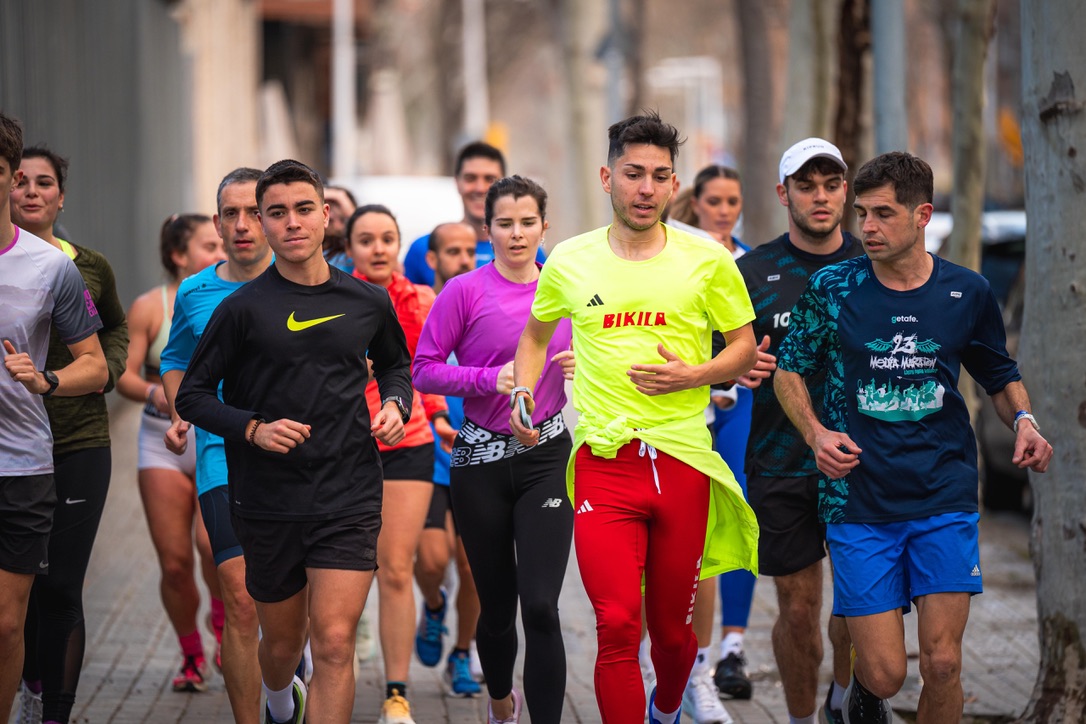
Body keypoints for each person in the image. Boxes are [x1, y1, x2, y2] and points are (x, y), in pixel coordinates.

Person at [773, 151, 1052, 723]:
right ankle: (859, 697)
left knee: (943, 663)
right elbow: (789, 370)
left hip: (943, 493)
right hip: (858, 499)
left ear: (922, 215)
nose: (867, 227)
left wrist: (1025, 421)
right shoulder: (833, 288)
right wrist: (816, 433)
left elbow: (999, 375)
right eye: (862, 213)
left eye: (883, 214)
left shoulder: (967, 291)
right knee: (884, 673)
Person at [509, 112, 759, 724]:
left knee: (672, 636)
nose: (646, 188)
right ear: (607, 178)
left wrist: (695, 375)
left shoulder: (708, 260)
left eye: (659, 176)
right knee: (617, 624)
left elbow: (744, 348)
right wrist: (523, 393)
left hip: (682, 461)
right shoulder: (570, 259)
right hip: (604, 461)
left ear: (674, 184)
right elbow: (536, 337)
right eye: (633, 173)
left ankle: (668, 707)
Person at [175, 159, 413, 724]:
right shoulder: (240, 310)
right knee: (282, 646)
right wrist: (253, 428)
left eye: (304, 209)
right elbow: (193, 396)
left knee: (333, 642)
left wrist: (395, 405)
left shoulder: (367, 300)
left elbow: (395, 365)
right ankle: (281, 701)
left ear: (326, 215)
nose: (292, 222)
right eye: (277, 212)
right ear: (262, 223)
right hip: (268, 499)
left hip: (348, 492)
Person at [415, 176, 576, 724]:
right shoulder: (464, 291)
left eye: (527, 222)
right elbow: (424, 369)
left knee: (542, 607)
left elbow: (609, 351)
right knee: (498, 609)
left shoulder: (567, 288)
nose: (517, 234)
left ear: (544, 227)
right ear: (488, 229)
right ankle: (502, 703)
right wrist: (490, 379)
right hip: (478, 463)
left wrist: (584, 362)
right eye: (505, 223)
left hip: (546, 458)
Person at [732, 137, 861, 724]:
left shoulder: (872, 265)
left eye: (831, 185)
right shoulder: (750, 272)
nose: (820, 197)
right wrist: (735, 368)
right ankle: (802, 718)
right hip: (780, 460)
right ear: (784, 194)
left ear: (846, 191)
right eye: (806, 186)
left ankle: (845, 697)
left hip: (862, 461)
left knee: (859, 607)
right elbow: (716, 356)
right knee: (799, 608)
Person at [9, 145, 129, 724]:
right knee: (21, 590)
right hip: (15, 449)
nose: (32, 192)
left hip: (78, 441)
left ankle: (53, 711)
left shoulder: (86, 266)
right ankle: (30, 686)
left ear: (62, 197)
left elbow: (115, 329)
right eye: (22, 181)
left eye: (45, 182)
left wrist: (106, 372)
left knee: (59, 585)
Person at [159, 167, 273, 724]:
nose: (243, 224)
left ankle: (286, 697)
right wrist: (181, 411)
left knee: (292, 607)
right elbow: (176, 359)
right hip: (220, 456)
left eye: (255, 212)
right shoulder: (195, 291)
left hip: (299, 461)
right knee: (241, 599)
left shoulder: (313, 283)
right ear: (218, 222)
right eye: (232, 214)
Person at [344, 204, 453, 722]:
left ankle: (396, 695)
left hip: (409, 441)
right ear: (349, 248)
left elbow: (424, 370)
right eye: (366, 239)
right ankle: (326, 676)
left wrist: (440, 415)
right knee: (346, 573)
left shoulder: (422, 300)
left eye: (387, 238)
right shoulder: (333, 299)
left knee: (396, 570)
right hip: (345, 446)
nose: (378, 248)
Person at [116, 212, 226, 692]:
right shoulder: (149, 307)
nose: (220, 252)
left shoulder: (233, 296)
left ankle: (224, 629)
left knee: (213, 547)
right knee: (175, 562)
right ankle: (191, 656)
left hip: (216, 436)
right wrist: (154, 393)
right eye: (208, 246)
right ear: (179, 255)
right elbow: (122, 375)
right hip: (161, 440)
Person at [668, 164, 758, 720]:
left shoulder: (751, 261)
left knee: (739, 507)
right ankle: (677, 659)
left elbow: (756, 337)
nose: (725, 210)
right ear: (696, 202)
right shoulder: (677, 254)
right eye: (715, 200)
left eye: (733, 201)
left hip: (741, 404)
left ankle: (732, 646)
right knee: (690, 532)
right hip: (689, 406)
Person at [411, 221, 485, 696]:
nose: (464, 259)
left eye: (469, 251)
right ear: (432, 259)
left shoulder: (484, 312)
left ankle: (462, 653)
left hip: (479, 455)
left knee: (475, 568)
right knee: (433, 560)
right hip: (430, 460)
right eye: (452, 251)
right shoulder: (420, 313)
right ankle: (434, 605)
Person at [401, 141, 544, 287]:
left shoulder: (525, 247)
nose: (480, 188)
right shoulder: (423, 248)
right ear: (457, 182)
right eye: (470, 178)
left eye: (490, 179)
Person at [322, 184, 357, 273]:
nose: (331, 214)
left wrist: (340, 196)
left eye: (342, 219)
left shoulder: (353, 254)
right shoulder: (311, 252)